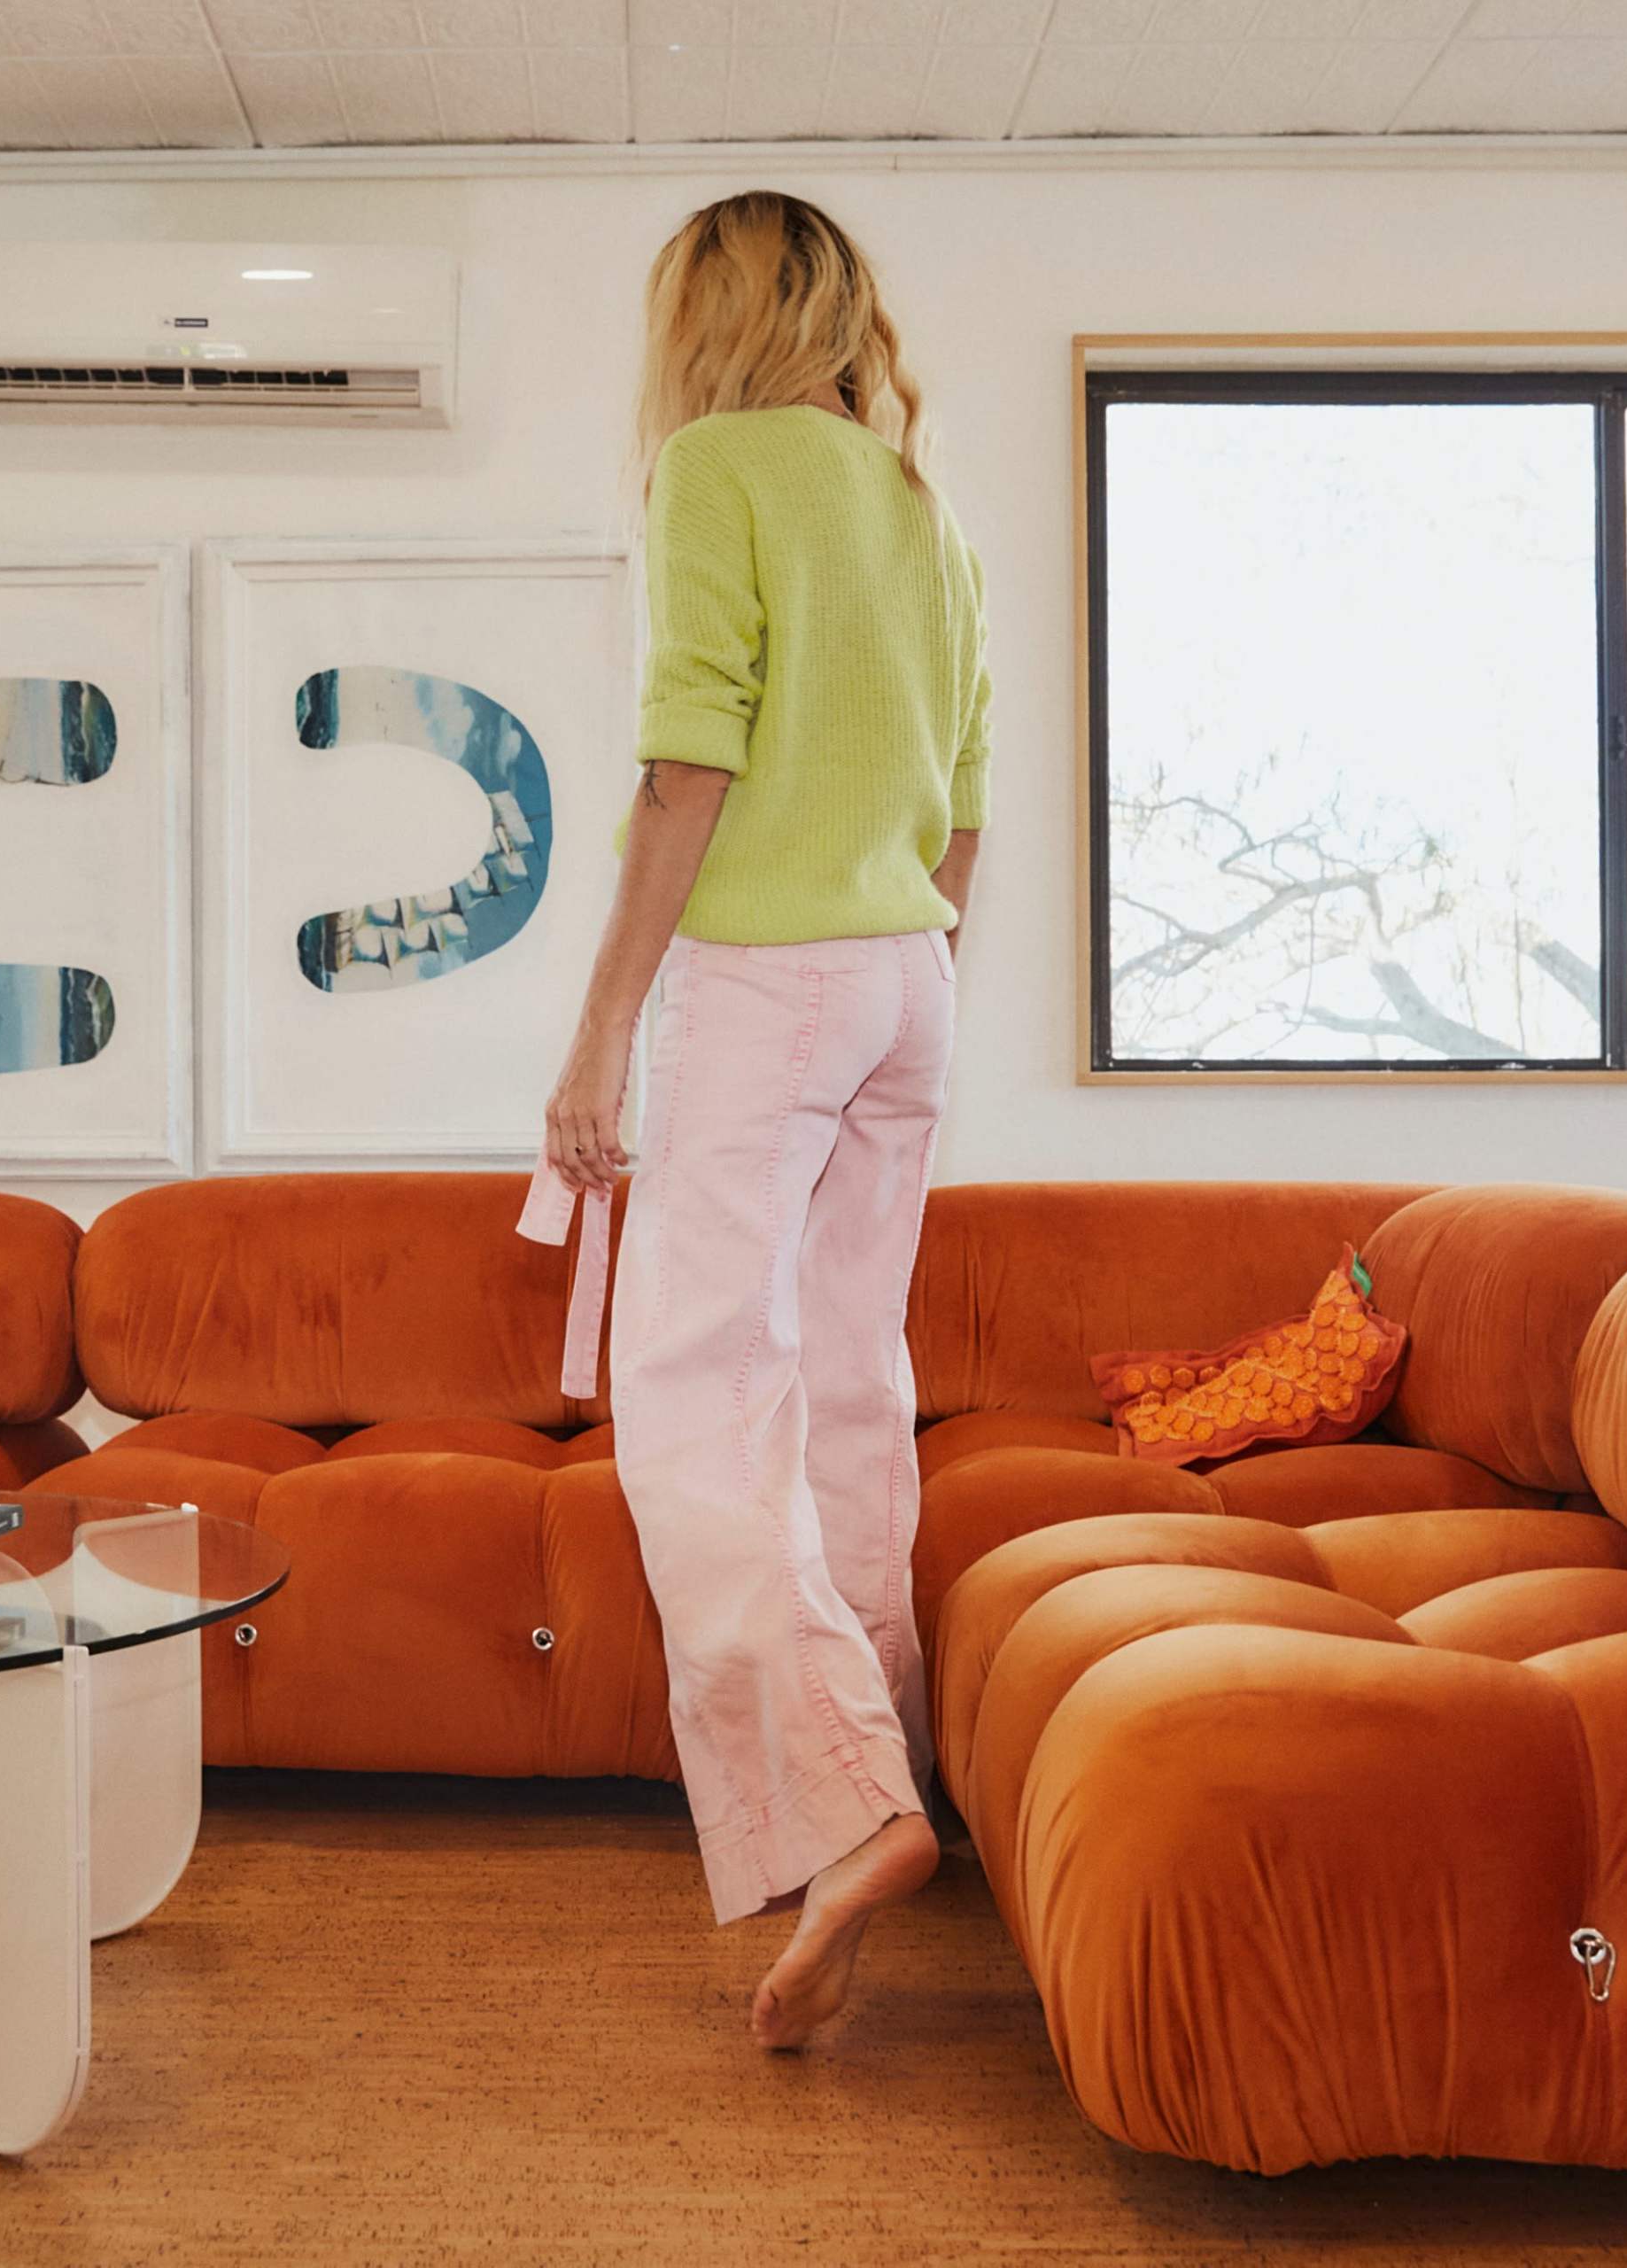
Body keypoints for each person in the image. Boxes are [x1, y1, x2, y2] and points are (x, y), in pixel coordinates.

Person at [529, 189, 990, 2052]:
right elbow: (962, 810)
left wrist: (599, 1036)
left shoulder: (714, 468)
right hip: (909, 972)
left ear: (706, 317)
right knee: (852, 1384)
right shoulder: (918, 506)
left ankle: (858, 1808)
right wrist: (915, 974)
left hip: (771, 977)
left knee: (703, 1394)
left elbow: (685, 772)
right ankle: (886, 1790)